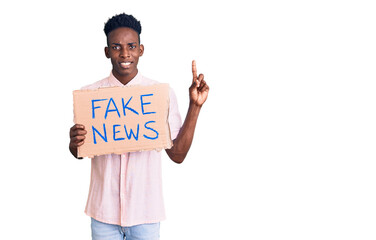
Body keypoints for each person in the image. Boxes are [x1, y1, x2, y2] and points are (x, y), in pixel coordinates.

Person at [69, 13, 209, 240]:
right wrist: (73, 142)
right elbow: (79, 152)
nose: (124, 54)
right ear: (107, 52)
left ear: (141, 50)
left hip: (146, 214)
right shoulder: (90, 97)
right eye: (116, 47)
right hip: (103, 214)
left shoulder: (159, 95)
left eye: (131, 46)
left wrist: (195, 106)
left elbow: (177, 154)